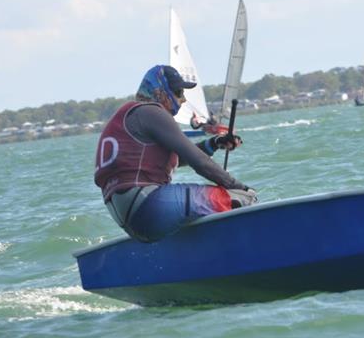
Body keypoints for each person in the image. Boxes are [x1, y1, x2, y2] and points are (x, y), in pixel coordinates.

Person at [94, 64, 257, 243]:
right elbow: (198, 161)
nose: (184, 99)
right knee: (244, 199)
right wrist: (240, 188)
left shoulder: (135, 115)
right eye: (179, 92)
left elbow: (181, 158)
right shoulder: (151, 112)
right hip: (149, 206)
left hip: (129, 217)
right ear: (160, 91)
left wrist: (214, 142)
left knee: (203, 207)